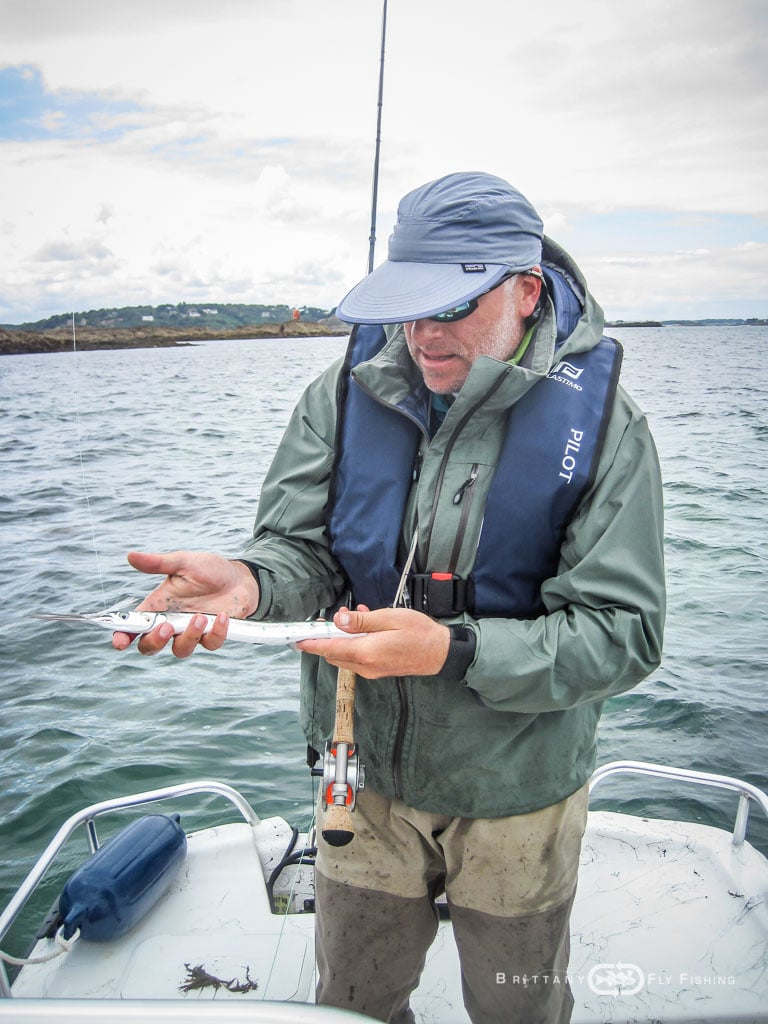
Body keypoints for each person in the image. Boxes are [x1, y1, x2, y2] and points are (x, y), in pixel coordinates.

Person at [114, 172, 665, 1024]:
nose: (424, 335)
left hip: (519, 789)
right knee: (352, 999)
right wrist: (252, 583)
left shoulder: (609, 432)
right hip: (356, 778)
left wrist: (452, 650)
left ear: (526, 290)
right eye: (410, 306)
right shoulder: (339, 398)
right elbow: (302, 553)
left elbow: (623, 636)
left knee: (519, 1007)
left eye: (453, 307)